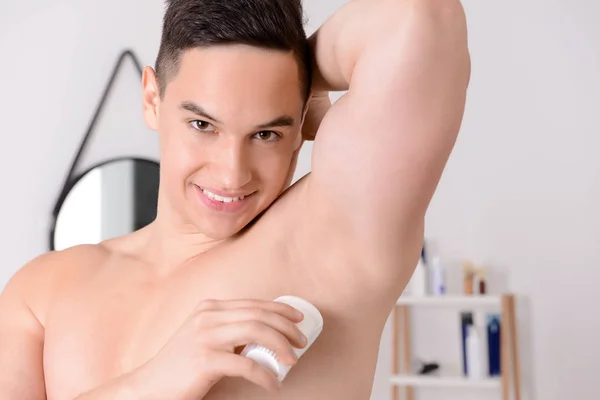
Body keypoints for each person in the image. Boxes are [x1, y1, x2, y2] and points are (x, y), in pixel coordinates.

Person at [0, 0, 470, 398]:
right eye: (203, 125)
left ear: (301, 121)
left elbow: (420, 15)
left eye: (265, 132)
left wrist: (301, 78)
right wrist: (161, 378)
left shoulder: (330, 242)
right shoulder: (44, 290)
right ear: (152, 100)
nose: (231, 173)